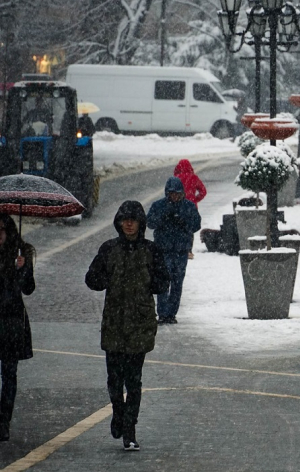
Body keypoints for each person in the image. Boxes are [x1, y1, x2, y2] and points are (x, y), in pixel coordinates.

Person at [85, 201, 169, 451]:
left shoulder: (151, 250)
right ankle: (118, 412)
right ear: (119, 223)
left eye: (133, 219)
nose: (129, 224)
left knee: (133, 381)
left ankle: (129, 430)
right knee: (114, 379)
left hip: (140, 324)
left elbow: (163, 282)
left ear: (140, 223)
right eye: (125, 219)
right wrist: (105, 278)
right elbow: (92, 279)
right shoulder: (109, 249)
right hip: (114, 323)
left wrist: (150, 284)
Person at [147, 177, 201, 325]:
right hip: (163, 250)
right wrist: (163, 219)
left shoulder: (188, 206)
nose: (175, 197)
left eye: (177, 194)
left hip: (180, 251)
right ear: (167, 193)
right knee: (164, 281)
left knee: (177, 283)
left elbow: (196, 224)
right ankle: (163, 312)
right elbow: (150, 222)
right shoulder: (159, 206)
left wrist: (184, 222)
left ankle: (171, 313)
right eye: (172, 194)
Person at [0, 214, 35, 442]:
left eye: (2, 229)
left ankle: (4, 420)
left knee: (9, 373)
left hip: (11, 319)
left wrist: (23, 269)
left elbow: (29, 288)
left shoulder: (20, 253)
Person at [174, 159, 207, 259]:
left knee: (178, 228)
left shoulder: (176, 178)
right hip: (191, 207)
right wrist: (195, 199)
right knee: (189, 229)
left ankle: (178, 248)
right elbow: (203, 191)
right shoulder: (194, 178)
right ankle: (188, 250)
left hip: (178, 207)